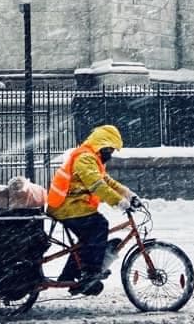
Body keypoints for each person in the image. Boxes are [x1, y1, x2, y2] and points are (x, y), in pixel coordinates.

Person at [46, 124, 140, 295]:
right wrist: (119, 202)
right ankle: (91, 274)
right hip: (66, 207)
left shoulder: (92, 158)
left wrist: (129, 195)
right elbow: (97, 185)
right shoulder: (85, 159)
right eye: (110, 150)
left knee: (88, 239)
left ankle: (69, 275)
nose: (110, 155)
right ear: (102, 145)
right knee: (99, 226)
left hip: (73, 206)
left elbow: (108, 182)